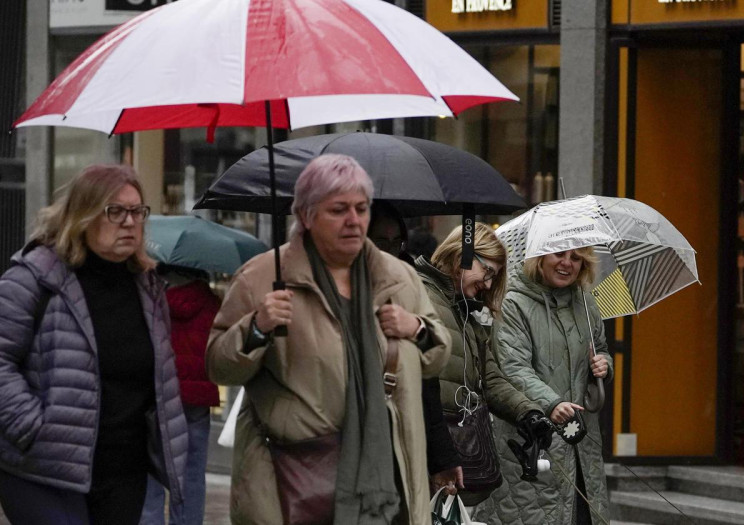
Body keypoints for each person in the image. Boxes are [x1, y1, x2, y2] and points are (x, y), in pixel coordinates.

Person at [206, 154, 451, 524]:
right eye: (338, 210)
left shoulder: (399, 279)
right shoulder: (263, 276)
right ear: (306, 215)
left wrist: (416, 328)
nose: (354, 221)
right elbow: (218, 366)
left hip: (387, 478)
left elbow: (438, 356)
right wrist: (256, 326)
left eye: (361, 208)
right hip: (294, 482)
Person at [0, 164, 189, 525]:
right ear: (82, 215)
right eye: (115, 211)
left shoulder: (148, 288)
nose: (130, 222)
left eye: (137, 211)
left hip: (122, 471)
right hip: (45, 471)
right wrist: (31, 429)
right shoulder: (32, 279)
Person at [410, 223, 555, 505]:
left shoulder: (466, 313)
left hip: (456, 449)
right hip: (424, 447)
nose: (488, 284)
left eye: (494, 277)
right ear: (461, 255)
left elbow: (491, 379)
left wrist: (528, 413)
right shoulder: (418, 294)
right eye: (487, 271)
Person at [474, 247, 614, 525]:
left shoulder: (586, 303)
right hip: (531, 440)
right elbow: (513, 368)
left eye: (576, 258)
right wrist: (551, 403)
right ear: (540, 258)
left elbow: (600, 348)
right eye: (559, 254)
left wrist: (604, 365)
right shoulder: (513, 303)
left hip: (580, 443)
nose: (567, 263)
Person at [365, 202, 465, 499]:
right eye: (382, 241)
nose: (391, 249)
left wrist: (443, 457)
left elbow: (428, 385)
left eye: (397, 241)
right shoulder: (342, 286)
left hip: (405, 437)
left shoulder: (410, 286)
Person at [141, 265, 222, 525]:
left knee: (150, 471)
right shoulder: (211, 302)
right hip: (196, 398)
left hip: (159, 393)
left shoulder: (152, 297)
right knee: (192, 474)